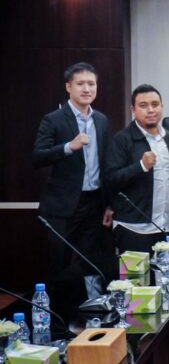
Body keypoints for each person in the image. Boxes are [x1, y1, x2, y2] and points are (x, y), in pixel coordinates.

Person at [32, 62, 113, 319]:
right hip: (63, 206)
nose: (87, 89)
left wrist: (109, 204)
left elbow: (106, 164)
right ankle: (57, 319)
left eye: (91, 84)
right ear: (68, 87)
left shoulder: (101, 120)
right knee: (59, 263)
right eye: (81, 84)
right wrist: (69, 146)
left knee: (90, 262)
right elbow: (37, 157)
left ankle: (87, 317)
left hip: (94, 203)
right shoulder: (53, 119)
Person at [105, 84, 169, 255]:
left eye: (155, 104)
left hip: (166, 226)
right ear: (133, 109)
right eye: (143, 105)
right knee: (134, 273)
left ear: (162, 106)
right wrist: (140, 166)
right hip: (133, 228)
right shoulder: (122, 139)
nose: (151, 110)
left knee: (165, 272)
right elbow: (111, 179)